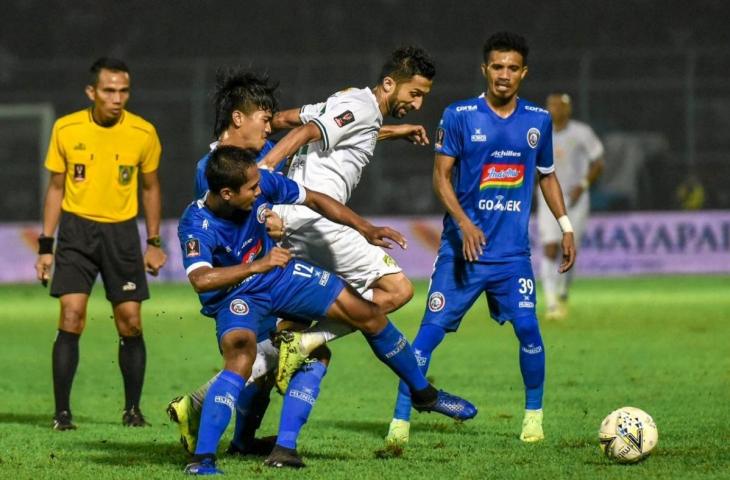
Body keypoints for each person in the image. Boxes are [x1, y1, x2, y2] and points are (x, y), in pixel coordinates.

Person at [166, 68, 431, 464]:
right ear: (239, 119)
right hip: (244, 283)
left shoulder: (250, 158)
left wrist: (393, 131)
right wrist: (266, 225)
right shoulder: (213, 169)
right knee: (287, 352)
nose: (270, 125)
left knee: (283, 351)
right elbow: (220, 232)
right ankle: (214, 434)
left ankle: (229, 433)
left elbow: (320, 134)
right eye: (263, 118)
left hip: (275, 264)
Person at [178, 145, 476, 475]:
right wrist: (256, 266)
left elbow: (316, 199)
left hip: (278, 276)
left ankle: (424, 394)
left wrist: (365, 228)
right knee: (242, 356)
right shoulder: (196, 223)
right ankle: (203, 459)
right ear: (226, 193)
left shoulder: (260, 181)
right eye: (251, 189)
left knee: (366, 313)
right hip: (238, 294)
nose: (260, 190)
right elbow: (201, 279)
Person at [384, 32, 577, 447]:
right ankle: (399, 421)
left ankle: (533, 418)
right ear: (484, 69)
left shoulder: (538, 120)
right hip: (461, 252)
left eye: (512, 68)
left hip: (511, 255)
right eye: (497, 67)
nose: (503, 75)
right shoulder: (458, 115)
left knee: (529, 329)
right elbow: (441, 177)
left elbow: (546, 176)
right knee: (428, 335)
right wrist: (464, 224)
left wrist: (566, 226)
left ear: (523, 72)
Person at [34, 57, 166, 430]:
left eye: (123, 90)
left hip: (122, 234)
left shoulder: (143, 133)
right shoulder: (66, 128)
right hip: (76, 233)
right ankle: (62, 414)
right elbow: (56, 189)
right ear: (92, 92)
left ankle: (132, 410)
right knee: (71, 317)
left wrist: (153, 241)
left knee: (131, 323)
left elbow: (151, 187)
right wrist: (46, 247)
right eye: (109, 90)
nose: (117, 98)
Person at [538, 93, 604, 320]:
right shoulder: (539, 133)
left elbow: (598, 162)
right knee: (549, 246)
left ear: (568, 109)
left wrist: (583, 185)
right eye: (551, 106)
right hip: (548, 197)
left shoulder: (581, 133)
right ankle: (551, 303)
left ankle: (563, 291)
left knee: (569, 249)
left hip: (575, 199)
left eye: (559, 105)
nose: (554, 109)